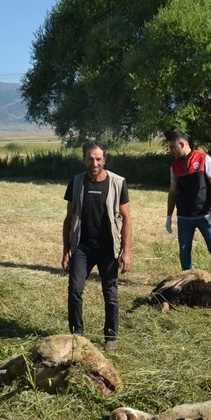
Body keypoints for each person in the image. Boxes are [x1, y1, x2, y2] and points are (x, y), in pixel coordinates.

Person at [62, 141, 132, 351]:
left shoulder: (118, 183)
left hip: (108, 248)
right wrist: (66, 250)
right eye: (91, 159)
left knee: (110, 293)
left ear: (105, 160)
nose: (95, 163)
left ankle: (111, 337)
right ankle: (77, 334)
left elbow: (127, 218)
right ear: (84, 159)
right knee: (75, 289)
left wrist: (126, 251)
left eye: (99, 159)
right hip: (82, 247)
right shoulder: (76, 183)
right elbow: (68, 218)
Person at [165, 131, 211, 282]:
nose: (171, 151)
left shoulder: (204, 158)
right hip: (184, 216)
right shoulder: (174, 166)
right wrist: (169, 216)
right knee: (184, 252)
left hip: (205, 215)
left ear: (182, 144)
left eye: (173, 147)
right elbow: (173, 192)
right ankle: (188, 281)